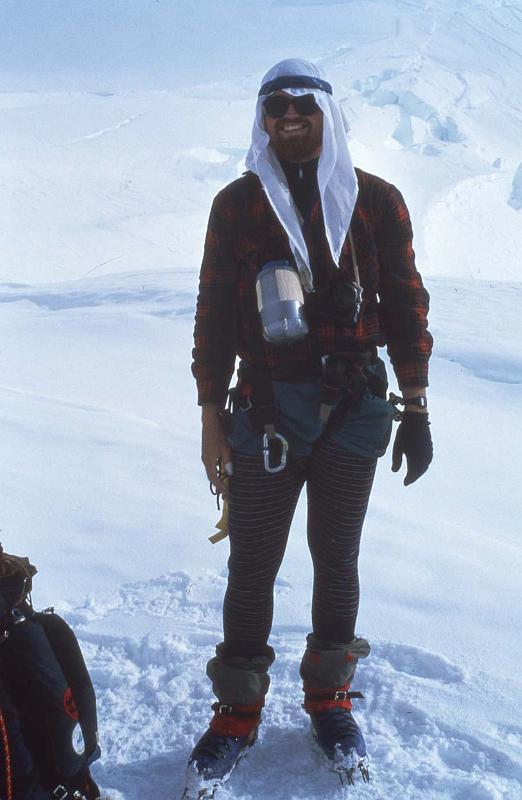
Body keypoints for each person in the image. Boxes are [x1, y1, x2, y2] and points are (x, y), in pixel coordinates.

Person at [185, 58, 433, 797]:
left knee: (338, 557)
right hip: (265, 412)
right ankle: (237, 709)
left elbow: (406, 305)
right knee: (253, 565)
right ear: (261, 120)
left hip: (356, 411)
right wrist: (208, 416)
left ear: (328, 113)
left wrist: (416, 407)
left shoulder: (375, 202)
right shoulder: (238, 205)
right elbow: (214, 315)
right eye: (274, 109)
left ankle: (328, 694)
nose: (289, 119)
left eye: (303, 106)